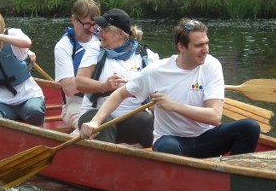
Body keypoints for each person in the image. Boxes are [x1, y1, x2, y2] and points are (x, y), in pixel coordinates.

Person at [80, 19, 260, 159]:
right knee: (167, 147)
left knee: (250, 127)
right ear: (181, 47)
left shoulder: (211, 65)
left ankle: (233, 174)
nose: (206, 50)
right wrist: (96, 122)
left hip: (206, 137)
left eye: (206, 43)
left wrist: (173, 105)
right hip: (173, 141)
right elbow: (119, 94)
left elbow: (214, 117)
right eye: (199, 45)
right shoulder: (156, 71)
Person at [75, 8, 159, 147]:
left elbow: (158, 90)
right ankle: (105, 165)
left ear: (120, 34)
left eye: (105, 30)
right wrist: (104, 86)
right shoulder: (95, 49)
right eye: (100, 29)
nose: (99, 33)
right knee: (104, 127)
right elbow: (79, 83)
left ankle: (160, 163)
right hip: (95, 114)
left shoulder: (146, 55)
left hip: (130, 117)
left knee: (149, 124)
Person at [54, 0, 101, 129]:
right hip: (76, 105)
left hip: (102, 101)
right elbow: (68, 88)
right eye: (87, 24)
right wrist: (102, 84)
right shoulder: (64, 46)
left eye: (94, 24)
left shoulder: (103, 39)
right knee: (94, 130)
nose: (91, 30)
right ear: (74, 19)